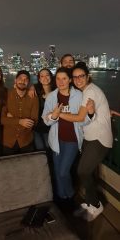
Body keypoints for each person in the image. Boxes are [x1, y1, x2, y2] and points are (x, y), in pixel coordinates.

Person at [60, 62, 113, 221]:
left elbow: (80, 117)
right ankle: (90, 203)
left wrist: (56, 114)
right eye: (75, 77)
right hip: (90, 137)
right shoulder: (83, 92)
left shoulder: (90, 91)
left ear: (87, 76)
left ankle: (96, 205)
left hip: (99, 137)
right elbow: (88, 115)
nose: (78, 79)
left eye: (81, 76)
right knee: (85, 171)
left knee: (83, 171)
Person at [42, 67, 94, 204]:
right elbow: (45, 120)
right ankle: (61, 197)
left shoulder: (79, 95)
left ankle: (70, 195)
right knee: (58, 171)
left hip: (72, 140)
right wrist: (53, 116)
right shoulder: (51, 97)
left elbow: (84, 120)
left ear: (70, 80)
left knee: (63, 171)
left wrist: (90, 113)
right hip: (56, 140)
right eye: (58, 78)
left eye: (64, 78)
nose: (61, 81)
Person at [1, 70, 39, 155]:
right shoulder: (7, 95)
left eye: (26, 79)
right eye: (20, 78)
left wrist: (11, 119)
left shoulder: (33, 98)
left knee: (26, 167)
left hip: (26, 141)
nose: (23, 81)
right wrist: (20, 121)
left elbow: (34, 121)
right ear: (15, 80)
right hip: (8, 141)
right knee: (7, 166)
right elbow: (2, 119)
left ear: (28, 82)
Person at [34, 68, 55, 151]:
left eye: (47, 75)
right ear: (39, 79)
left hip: (51, 128)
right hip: (37, 128)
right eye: (42, 76)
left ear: (51, 76)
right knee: (40, 150)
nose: (45, 78)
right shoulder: (35, 92)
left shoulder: (56, 92)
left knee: (50, 150)